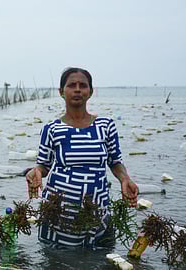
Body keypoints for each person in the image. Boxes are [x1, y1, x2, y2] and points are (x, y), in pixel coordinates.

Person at [25, 67, 138, 247]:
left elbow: (115, 161)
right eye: (71, 85)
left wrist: (125, 178)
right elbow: (44, 165)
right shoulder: (52, 129)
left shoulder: (105, 126)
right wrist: (35, 171)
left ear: (90, 92)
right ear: (61, 92)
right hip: (59, 212)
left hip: (97, 209)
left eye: (83, 85)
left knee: (100, 258)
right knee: (57, 261)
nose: (77, 89)